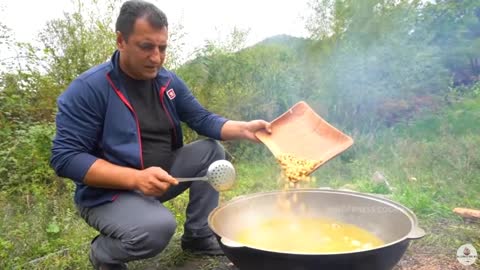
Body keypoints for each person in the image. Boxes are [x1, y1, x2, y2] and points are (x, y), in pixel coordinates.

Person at [49, 0, 271, 269]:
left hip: (160, 177)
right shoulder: (89, 88)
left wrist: (244, 128)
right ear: (121, 40)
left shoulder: (167, 81)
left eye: (162, 47)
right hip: (107, 194)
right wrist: (135, 178)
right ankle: (103, 253)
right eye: (146, 47)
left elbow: (200, 118)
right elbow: (65, 158)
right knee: (157, 228)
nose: (156, 57)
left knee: (212, 151)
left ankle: (198, 236)